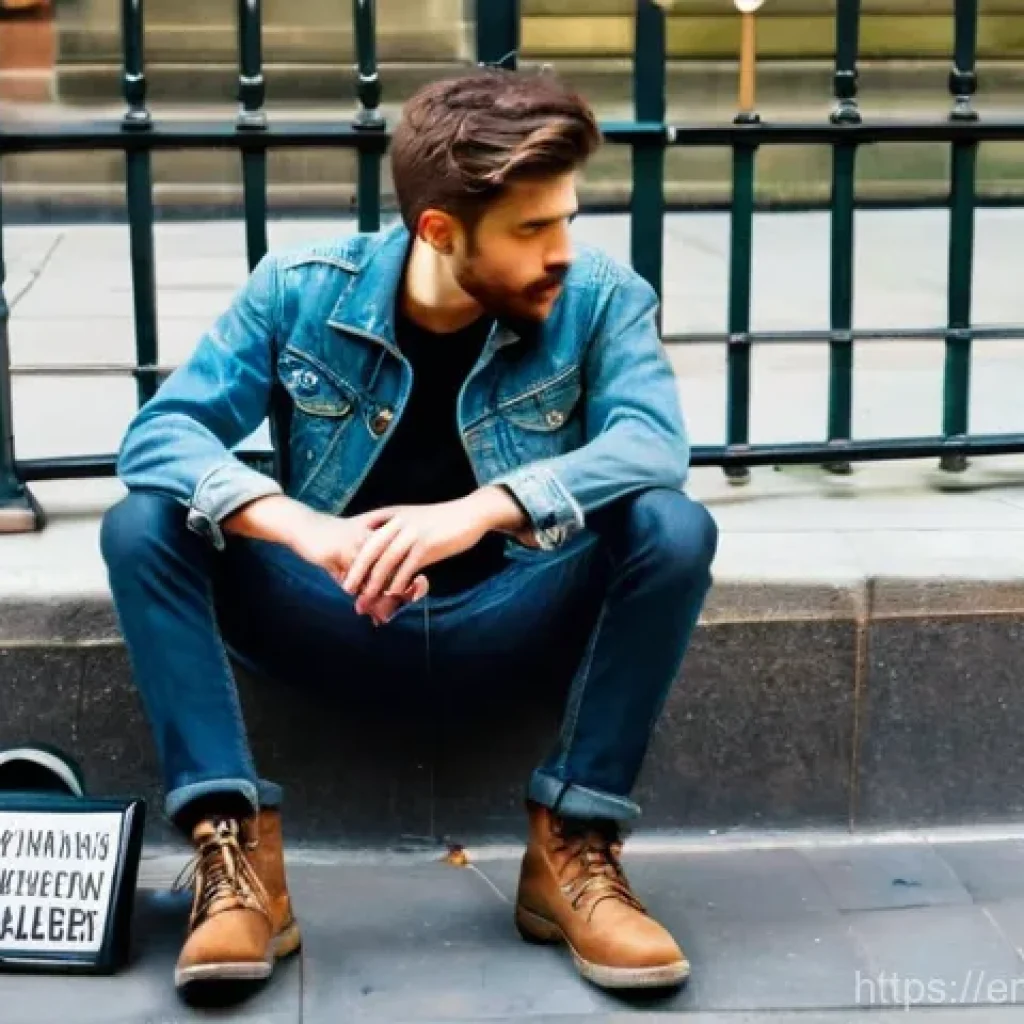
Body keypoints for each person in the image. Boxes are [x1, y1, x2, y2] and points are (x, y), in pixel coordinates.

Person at [99, 67, 718, 997]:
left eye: (566, 220)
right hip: (327, 614)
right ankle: (236, 858)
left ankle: (573, 845)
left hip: (514, 614)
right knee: (144, 523)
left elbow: (652, 444)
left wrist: (478, 510)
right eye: (531, 229)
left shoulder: (601, 298)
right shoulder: (300, 290)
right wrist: (304, 530)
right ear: (438, 230)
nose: (561, 252)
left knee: (671, 525)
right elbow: (161, 435)